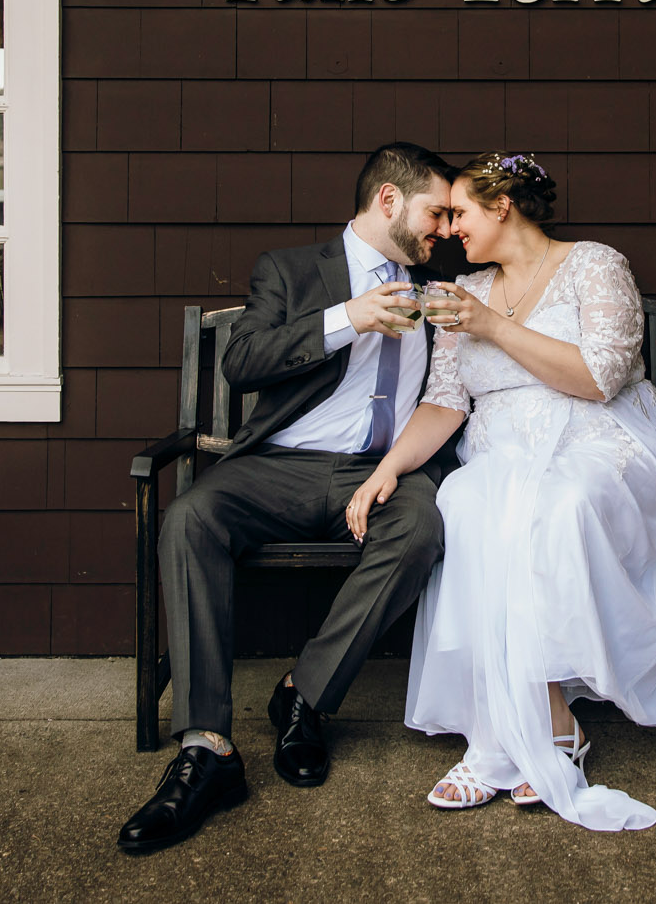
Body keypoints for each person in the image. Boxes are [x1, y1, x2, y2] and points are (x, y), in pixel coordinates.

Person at [343, 152, 656, 831]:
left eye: (460, 211)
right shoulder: (467, 288)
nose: (451, 228)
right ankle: (529, 729)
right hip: (505, 450)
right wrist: (388, 469)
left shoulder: (595, 264)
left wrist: (491, 326)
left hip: (604, 442)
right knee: (466, 501)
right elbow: (444, 403)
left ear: (502, 205)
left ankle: (534, 732)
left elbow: (600, 377)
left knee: (556, 503)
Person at [116, 142, 459, 854]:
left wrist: (395, 466)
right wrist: (349, 318)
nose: (445, 227)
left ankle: (305, 690)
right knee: (189, 518)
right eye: (435, 210)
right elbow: (243, 361)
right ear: (388, 201)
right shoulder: (294, 269)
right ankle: (208, 747)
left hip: (379, 469)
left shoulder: (442, 283)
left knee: (423, 524)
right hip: (277, 466)